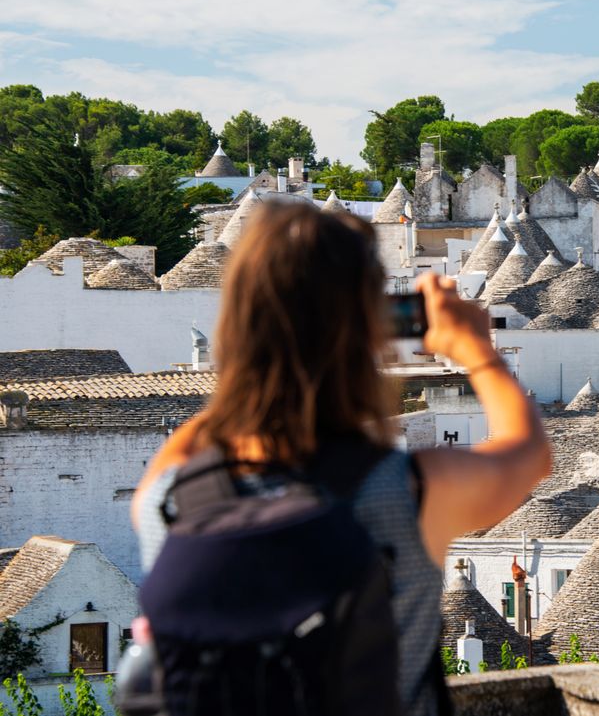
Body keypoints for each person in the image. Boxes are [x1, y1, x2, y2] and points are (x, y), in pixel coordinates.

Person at [131, 202, 552, 714]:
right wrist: (477, 352)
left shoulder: (167, 500)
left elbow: (209, 430)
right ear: (367, 330)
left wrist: (255, 361)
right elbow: (529, 456)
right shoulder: (404, 492)